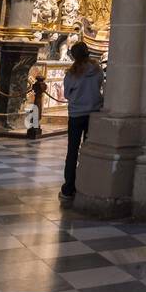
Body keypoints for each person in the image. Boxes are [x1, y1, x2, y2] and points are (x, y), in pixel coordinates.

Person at [60, 42, 104, 201]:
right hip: (93, 113)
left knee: (72, 151)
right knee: (88, 150)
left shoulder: (71, 74)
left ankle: (68, 188)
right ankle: (86, 184)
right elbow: (100, 87)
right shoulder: (98, 71)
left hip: (76, 114)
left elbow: (66, 94)